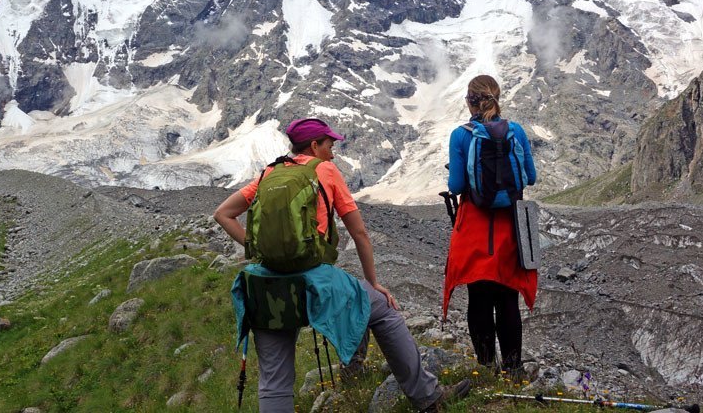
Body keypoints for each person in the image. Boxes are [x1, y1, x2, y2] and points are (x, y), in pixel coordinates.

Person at [215, 117, 470, 412]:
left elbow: (223, 213)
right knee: (382, 309)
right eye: (329, 143)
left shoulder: (269, 173)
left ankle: (354, 370)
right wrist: (373, 283)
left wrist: (257, 251)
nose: (334, 150)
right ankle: (427, 397)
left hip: (267, 285)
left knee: (274, 379)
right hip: (314, 281)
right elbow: (359, 232)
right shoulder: (325, 170)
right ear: (314, 145)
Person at [442, 74, 538, 376]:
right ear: (498, 98)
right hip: (510, 224)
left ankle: (486, 368)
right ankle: (514, 369)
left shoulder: (460, 135)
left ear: (468, 101)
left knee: (479, 297)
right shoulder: (516, 131)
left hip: (475, 226)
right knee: (507, 296)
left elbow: (456, 185)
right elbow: (530, 177)